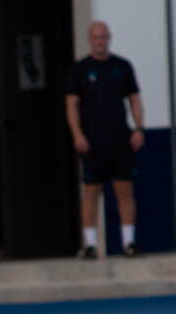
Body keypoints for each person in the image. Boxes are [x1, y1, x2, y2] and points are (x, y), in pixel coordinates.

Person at [65, 21, 144, 260]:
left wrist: (139, 128)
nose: (100, 41)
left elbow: (134, 99)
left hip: (120, 139)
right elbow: (71, 105)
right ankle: (89, 245)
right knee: (91, 191)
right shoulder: (79, 69)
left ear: (109, 38)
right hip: (93, 142)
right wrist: (77, 134)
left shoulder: (122, 66)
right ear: (90, 39)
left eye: (103, 37)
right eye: (96, 37)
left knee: (124, 189)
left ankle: (128, 242)